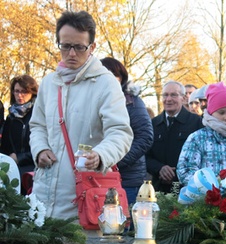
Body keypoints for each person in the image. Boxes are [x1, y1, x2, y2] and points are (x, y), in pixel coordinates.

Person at [29, 10, 133, 220]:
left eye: (79, 47)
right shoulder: (49, 82)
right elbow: (37, 126)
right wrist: (40, 149)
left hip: (86, 199)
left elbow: (121, 133)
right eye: (65, 46)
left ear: (92, 47)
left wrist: (101, 155)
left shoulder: (106, 83)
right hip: (43, 197)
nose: (72, 54)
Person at [100, 57, 153, 205]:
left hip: (128, 179)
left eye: (114, 75)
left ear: (121, 79)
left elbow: (145, 137)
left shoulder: (132, 102)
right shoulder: (94, 101)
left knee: (125, 224)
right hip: (99, 177)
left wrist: (115, 161)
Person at [146, 80, 203, 193]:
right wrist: (159, 168)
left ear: (183, 98)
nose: (168, 99)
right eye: (165, 95)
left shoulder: (196, 122)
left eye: (173, 95)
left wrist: (178, 173)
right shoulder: (153, 124)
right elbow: (145, 156)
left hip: (187, 190)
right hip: (159, 189)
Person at [1, 75, 39, 190]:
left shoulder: (38, 115)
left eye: (24, 92)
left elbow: (43, 145)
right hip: (12, 168)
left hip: (32, 169)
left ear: (32, 93)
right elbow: (5, 146)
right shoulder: (11, 117)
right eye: (17, 91)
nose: (20, 95)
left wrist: (20, 157)